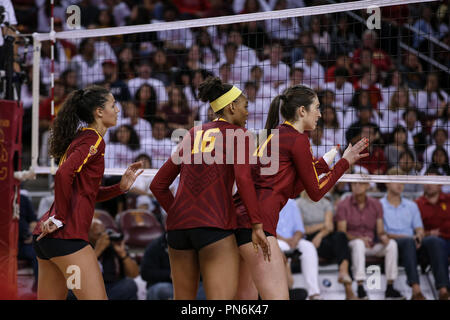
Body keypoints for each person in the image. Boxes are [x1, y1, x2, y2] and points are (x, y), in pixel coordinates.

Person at [233, 84, 369, 300]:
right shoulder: (298, 139)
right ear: (302, 111)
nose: (320, 113)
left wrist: (328, 164)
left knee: (244, 301)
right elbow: (315, 192)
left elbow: (291, 187)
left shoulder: (274, 134)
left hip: (238, 221)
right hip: (258, 225)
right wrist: (343, 164)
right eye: (316, 107)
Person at [150, 77, 270, 300]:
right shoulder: (241, 135)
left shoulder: (192, 134)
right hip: (214, 226)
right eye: (245, 106)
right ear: (231, 106)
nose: (247, 113)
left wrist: (178, 213)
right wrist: (257, 224)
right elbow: (243, 181)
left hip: (177, 230)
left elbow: (157, 185)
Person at [32, 85, 144, 300]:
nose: (118, 110)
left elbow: (86, 192)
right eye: (113, 105)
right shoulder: (93, 140)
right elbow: (63, 174)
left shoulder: (82, 138)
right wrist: (60, 218)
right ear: (99, 112)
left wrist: (119, 188)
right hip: (67, 238)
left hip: (48, 240)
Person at [381, 167, 450, 300]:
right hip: (394, 244)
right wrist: (411, 238)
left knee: (435, 241)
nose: (400, 184)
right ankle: (416, 291)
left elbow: (419, 229)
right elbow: (383, 233)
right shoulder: (380, 205)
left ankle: (443, 290)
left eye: (402, 181)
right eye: (396, 181)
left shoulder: (411, 205)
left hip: (412, 244)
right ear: (386, 183)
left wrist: (419, 236)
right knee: (408, 242)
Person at [336, 180, 405, 300]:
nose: (357, 186)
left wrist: (383, 236)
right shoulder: (343, 204)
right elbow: (341, 232)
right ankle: (360, 287)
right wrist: (360, 238)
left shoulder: (376, 204)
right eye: (354, 184)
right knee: (358, 244)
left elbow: (380, 230)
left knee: (391, 244)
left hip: (372, 243)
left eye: (360, 183)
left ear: (367, 185)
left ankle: (390, 287)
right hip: (353, 243)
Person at [298, 191, 358, 300]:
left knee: (341, 236)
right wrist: (322, 226)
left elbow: (330, 227)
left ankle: (343, 271)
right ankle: (348, 286)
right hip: (310, 241)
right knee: (342, 248)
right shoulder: (299, 203)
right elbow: (303, 229)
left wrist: (320, 235)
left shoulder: (325, 203)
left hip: (325, 236)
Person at [276, 199, 322, 300]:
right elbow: (266, 229)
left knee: (308, 247)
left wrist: (295, 240)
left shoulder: (291, 203)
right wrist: (286, 240)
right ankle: (287, 287)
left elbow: (299, 228)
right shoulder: (264, 200)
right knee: (283, 246)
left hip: (294, 240)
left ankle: (314, 292)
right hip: (275, 240)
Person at [140, 233, 206, 300]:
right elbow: (145, 273)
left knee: (209, 289)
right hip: (166, 283)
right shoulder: (156, 246)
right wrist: (170, 274)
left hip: (193, 283)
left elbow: (207, 271)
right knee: (163, 290)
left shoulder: (198, 244)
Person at [88, 218, 139, 300]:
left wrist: (122, 254)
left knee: (129, 284)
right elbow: (78, 276)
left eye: (104, 232)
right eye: (98, 234)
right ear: (87, 235)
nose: (103, 237)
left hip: (113, 287)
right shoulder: (82, 248)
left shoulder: (113, 246)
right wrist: (98, 251)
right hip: (90, 287)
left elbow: (134, 274)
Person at [416, 168, 450, 259]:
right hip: (430, 241)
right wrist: (429, 233)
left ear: (441, 184)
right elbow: (412, 231)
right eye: (426, 181)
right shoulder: (416, 204)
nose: (429, 185)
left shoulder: (448, 199)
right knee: (436, 243)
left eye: (432, 181)